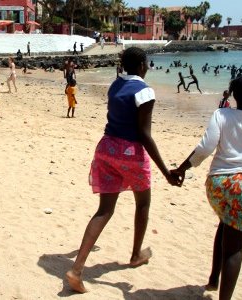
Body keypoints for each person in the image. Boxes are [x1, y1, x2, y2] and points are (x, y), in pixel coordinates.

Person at [65, 47, 182, 294]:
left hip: (106, 148)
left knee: (104, 210)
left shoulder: (115, 85)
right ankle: (136, 254)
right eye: (147, 63)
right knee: (142, 203)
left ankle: (76, 269)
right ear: (141, 65)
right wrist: (165, 172)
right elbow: (144, 135)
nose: (148, 67)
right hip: (131, 154)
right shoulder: (145, 91)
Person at [173, 74, 242, 300]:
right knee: (236, 249)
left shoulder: (221, 114)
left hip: (217, 186)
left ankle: (213, 279)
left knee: (225, 223)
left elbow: (205, 148)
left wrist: (182, 169)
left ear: (233, 95)